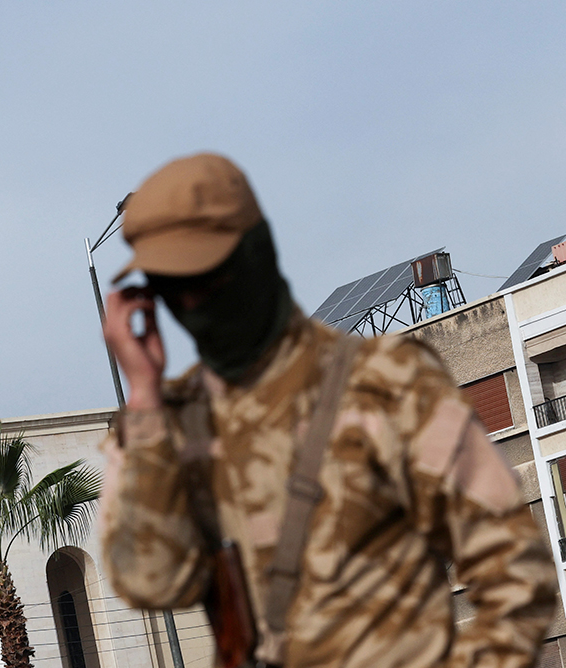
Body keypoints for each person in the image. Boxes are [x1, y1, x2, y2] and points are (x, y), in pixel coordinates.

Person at [99, 153, 557, 668]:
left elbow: (518, 574)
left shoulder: (386, 381)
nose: (193, 302)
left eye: (207, 273)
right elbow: (147, 580)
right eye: (172, 286)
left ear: (257, 252)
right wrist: (142, 397)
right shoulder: (173, 425)